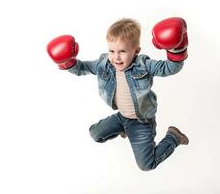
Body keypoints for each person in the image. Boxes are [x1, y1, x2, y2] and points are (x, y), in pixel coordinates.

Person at [46, 17, 189, 171]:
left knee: (146, 165)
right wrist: (66, 62)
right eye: (112, 51)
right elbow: (82, 68)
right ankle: (123, 129)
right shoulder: (104, 64)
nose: (116, 57)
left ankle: (174, 137)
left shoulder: (144, 65)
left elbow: (169, 68)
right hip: (122, 117)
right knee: (95, 134)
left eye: (122, 51)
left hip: (141, 121)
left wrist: (177, 48)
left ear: (136, 51)